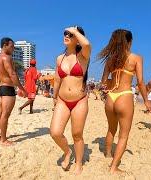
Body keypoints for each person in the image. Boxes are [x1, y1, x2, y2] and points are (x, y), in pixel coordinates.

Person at [99, 29, 151, 174]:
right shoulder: (136, 58)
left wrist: (109, 85)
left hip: (111, 97)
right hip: (125, 96)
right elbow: (140, 82)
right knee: (123, 135)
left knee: (111, 129)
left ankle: (108, 154)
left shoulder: (110, 60)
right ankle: (113, 167)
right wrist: (146, 101)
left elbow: (103, 83)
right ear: (129, 41)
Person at [50, 26, 91, 175]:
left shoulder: (83, 56)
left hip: (79, 100)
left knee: (77, 134)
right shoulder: (59, 58)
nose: (66, 35)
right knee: (55, 132)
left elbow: (86, 44)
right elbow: (56, 79)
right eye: (65, 33)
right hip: (62, 100)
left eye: (70, 34)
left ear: (77, 38)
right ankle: (67, 152)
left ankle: (79, 163)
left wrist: (74, 31)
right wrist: (54, 97)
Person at [0, 37, 27, 146]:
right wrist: (22, 89)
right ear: (4, 45)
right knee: (5, 115)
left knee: (0, 113)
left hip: (1, 87)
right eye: (11, 46)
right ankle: (4, 139)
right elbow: (12, 74)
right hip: (8, 88)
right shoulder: (6, 58)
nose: (13, 49)